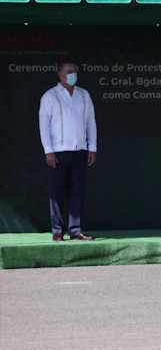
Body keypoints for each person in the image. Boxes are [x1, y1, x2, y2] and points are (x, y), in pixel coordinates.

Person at [38, 60, 97, 242]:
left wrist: (92, 147)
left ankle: (75, 229)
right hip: (58, 152)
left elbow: (91, 122)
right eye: (69, 71)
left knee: (76, 190)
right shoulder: (50, 96)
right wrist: (48, 151)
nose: (73, 74)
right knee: (57, 192)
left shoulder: (84, 95)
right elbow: (44, 126)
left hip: (79, 149)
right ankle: (57, 230)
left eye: (75, 71)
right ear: (60, 74)